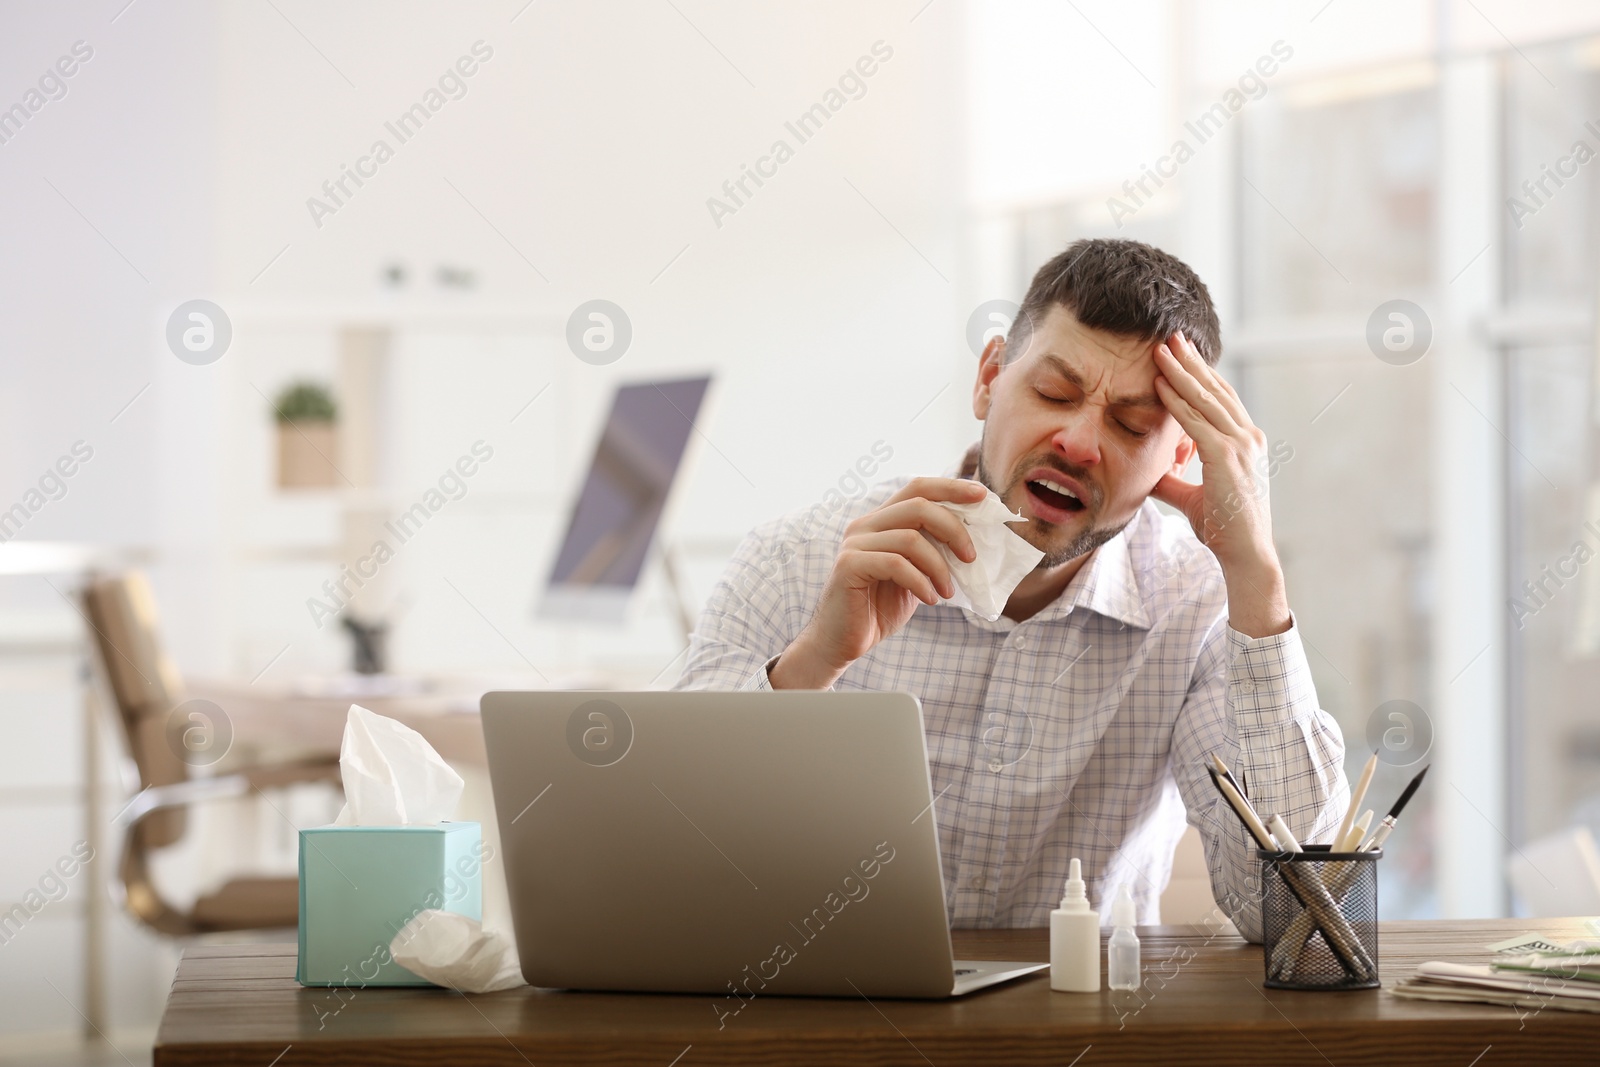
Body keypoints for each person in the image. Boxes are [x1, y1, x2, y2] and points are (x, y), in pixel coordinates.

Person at [673, 238, 1348, 938]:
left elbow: (1296, 918)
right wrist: (814, 660)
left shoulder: (1201, 606)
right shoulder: (797, 561)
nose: (1079, 442)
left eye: (1132, 424)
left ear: (1179, 456)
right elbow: (669, 852)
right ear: (990, 377)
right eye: (1053, 392)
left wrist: (1256, 570)